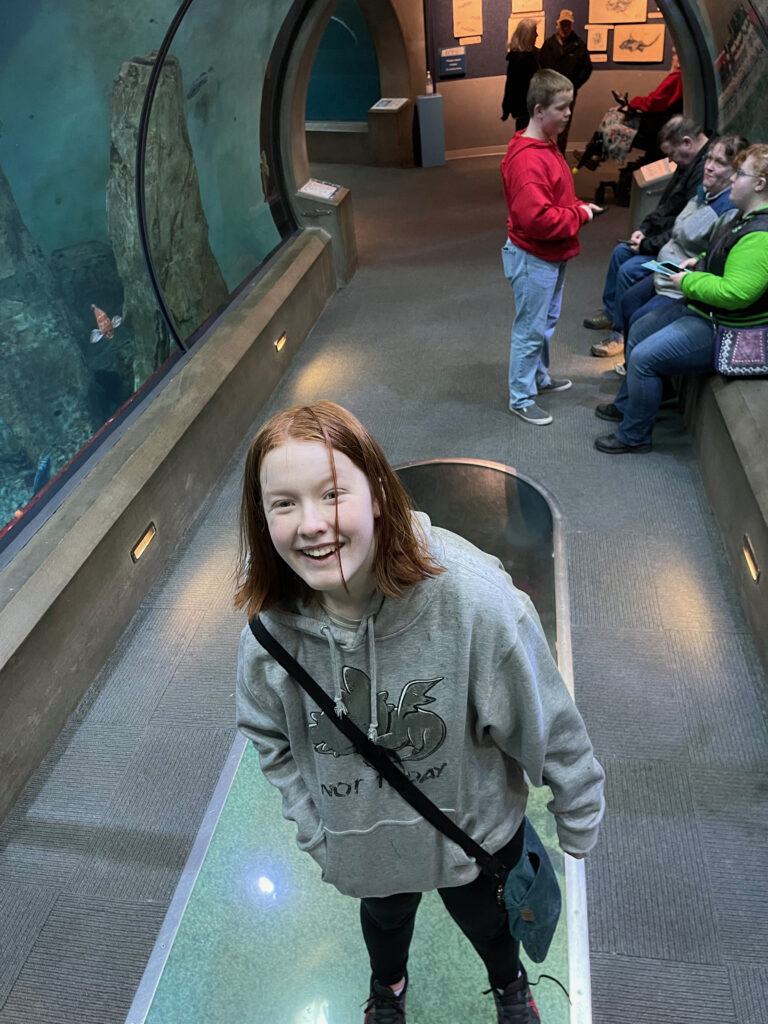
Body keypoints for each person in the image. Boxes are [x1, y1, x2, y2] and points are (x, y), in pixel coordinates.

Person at [235, 401, 605, 1023]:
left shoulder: (474, 602)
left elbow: (543, 715)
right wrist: (319, 832)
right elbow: (270, 739)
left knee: (490, 921)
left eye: (331, 494)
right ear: (261, 517)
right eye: (284, 503)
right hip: (365, 847)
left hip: (475, 834)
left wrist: (579, 808)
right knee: (384, 924)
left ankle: (510, 985)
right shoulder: (270, 635)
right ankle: (390, 989)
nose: (311, 524)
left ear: (377, 492)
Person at [593, 143, 768, 453]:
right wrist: (699, 261)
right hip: (706, 311)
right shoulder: (745, 217)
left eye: (739, 173)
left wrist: (689, 281)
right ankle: (631, 406)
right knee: (641, 326)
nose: (731, 178)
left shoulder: (761, 235)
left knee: (645, 359)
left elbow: (736, 293)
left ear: (759, 183)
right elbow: (722, 253)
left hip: (727, 328)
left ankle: (634, 435)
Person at [501, 69, 601, 425]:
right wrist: (582, 215)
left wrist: (575, 209)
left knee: (544, 322)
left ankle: (538, 378)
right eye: (562, 107)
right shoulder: (529, 159)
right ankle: (521, 396)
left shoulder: (545, 144)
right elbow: (538, 220)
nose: (569, 113)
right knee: (530, 329)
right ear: (540, 110)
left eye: (570, 106)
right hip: (534, 256)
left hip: (549, 255)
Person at [584, 115, 711, 359]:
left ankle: (619, 335)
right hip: (665, 240)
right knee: (621, 253)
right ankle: (612, 314)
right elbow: (667, 207)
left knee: (630, 270)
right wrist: (645, 228)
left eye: (672, 153)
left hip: (680, 252)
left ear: (686, 142)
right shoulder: (688, 165)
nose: (671, 160)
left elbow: (684, 229)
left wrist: (646, 244)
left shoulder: (701, 172)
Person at [539, 9, 592, 154]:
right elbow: (541, 66)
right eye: (563, 24)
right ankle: (545, 154)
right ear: (557, 25)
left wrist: (574, 85)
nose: (565, 28)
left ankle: (560, 155)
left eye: (568, 25)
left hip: (568, 93)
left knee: (563, 126)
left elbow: (586, 68)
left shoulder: (579, 45)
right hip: (549, 93)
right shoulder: (548, 44)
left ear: (572, 26)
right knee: (547, 123)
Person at [501, 18, 540, 131]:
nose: (537, 35)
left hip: (533, 107)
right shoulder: (518, 59)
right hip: (525, 109)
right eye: (534, 32)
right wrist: (506, 107)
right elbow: (511, 85)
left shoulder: (534, 53)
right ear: (527, 35)